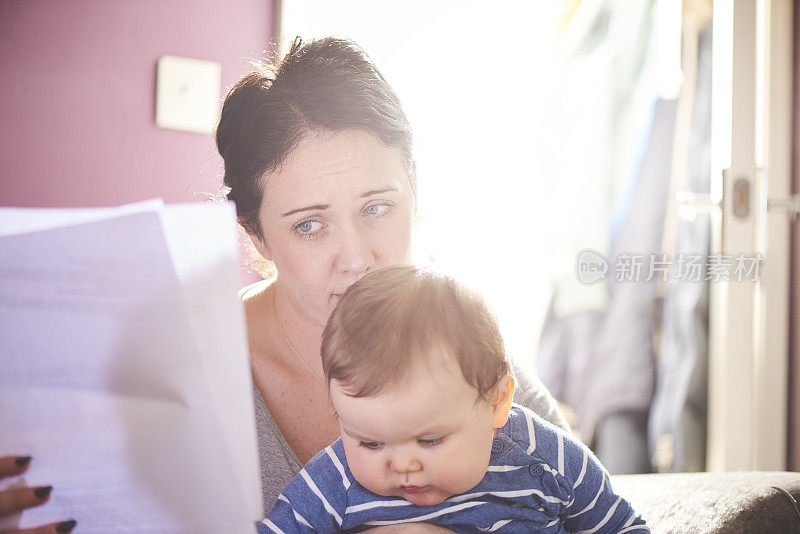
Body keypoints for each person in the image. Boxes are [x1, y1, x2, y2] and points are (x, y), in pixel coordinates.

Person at [1, 36, 567, 532]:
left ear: (415, 194)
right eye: (309, 225)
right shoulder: (168, 379)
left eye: (377, 208)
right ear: (255, 237)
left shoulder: (461, 348)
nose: (358, 260)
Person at [261, 266, 648, 532]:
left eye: (429, 440)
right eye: (370, 442)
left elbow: (621, 526)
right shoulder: (336, 479)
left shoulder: (547, 458)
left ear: (497, 403)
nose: (402, 464)